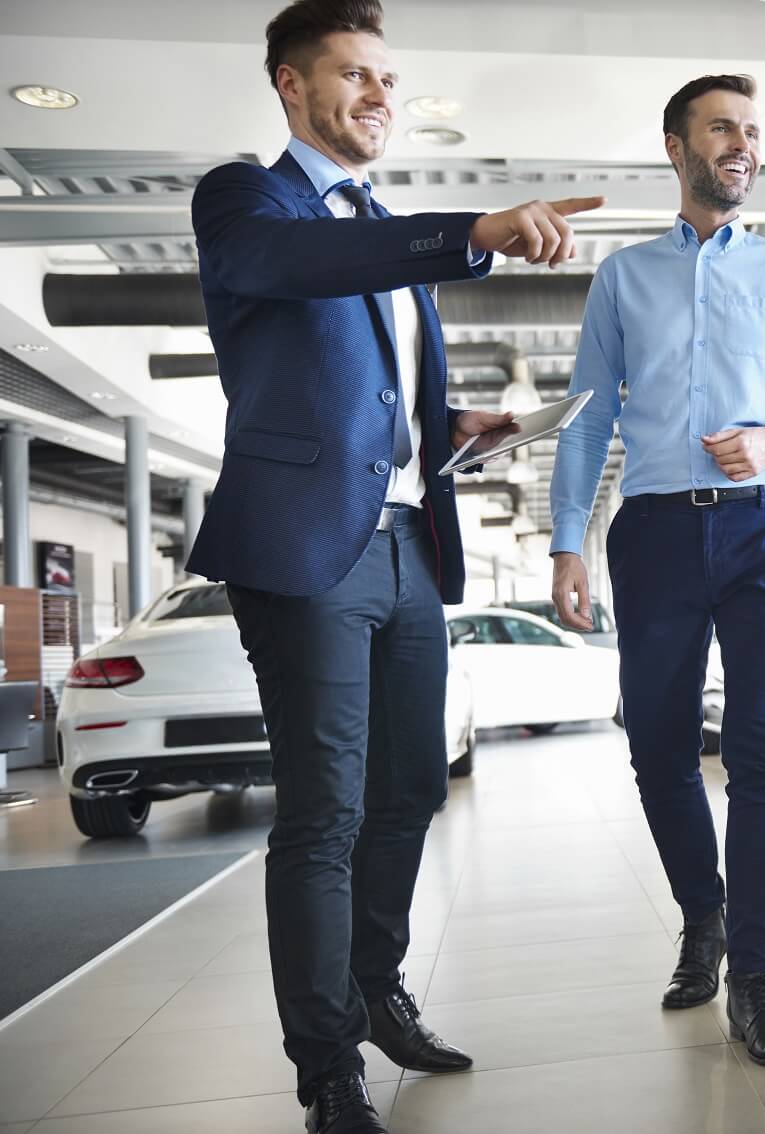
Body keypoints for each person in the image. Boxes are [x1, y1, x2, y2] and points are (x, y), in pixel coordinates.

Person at [188, 2, 600, 1130]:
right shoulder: (249, 198)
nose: (380, 93)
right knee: (323, 812)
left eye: (387, 77)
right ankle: (327, 1066)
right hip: (308, 549)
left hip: (411, 546)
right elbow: (291, 265)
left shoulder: (378, 220)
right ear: (289, 84)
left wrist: (451, 424)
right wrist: (473, 230)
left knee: (410, 790)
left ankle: (377, 994)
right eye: (354, 74)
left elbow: (374, 388)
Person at [550, 74, 765, 1067]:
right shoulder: (622, 278)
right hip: (652, 534)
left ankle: (757, 982)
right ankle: (702, 914)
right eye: (722, 128)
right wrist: (567, 540)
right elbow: (589, 414)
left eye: (751, 131)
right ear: (676, 147)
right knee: (656, 748)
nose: (741, 145)